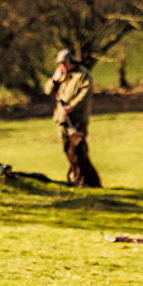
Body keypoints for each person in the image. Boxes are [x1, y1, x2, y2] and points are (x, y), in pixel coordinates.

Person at [43, 50, 101, 188]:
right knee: (67, 150)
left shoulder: (83, 75)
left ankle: (86, 180)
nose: (61, 66)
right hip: (62, 119)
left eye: (63, 63)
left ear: (69, 61)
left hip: (77, 120)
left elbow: (85, 93)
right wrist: (54, 79)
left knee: (78, 151)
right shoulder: (62, 76)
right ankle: (75, 176)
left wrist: (72, 106)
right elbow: (47, 90)